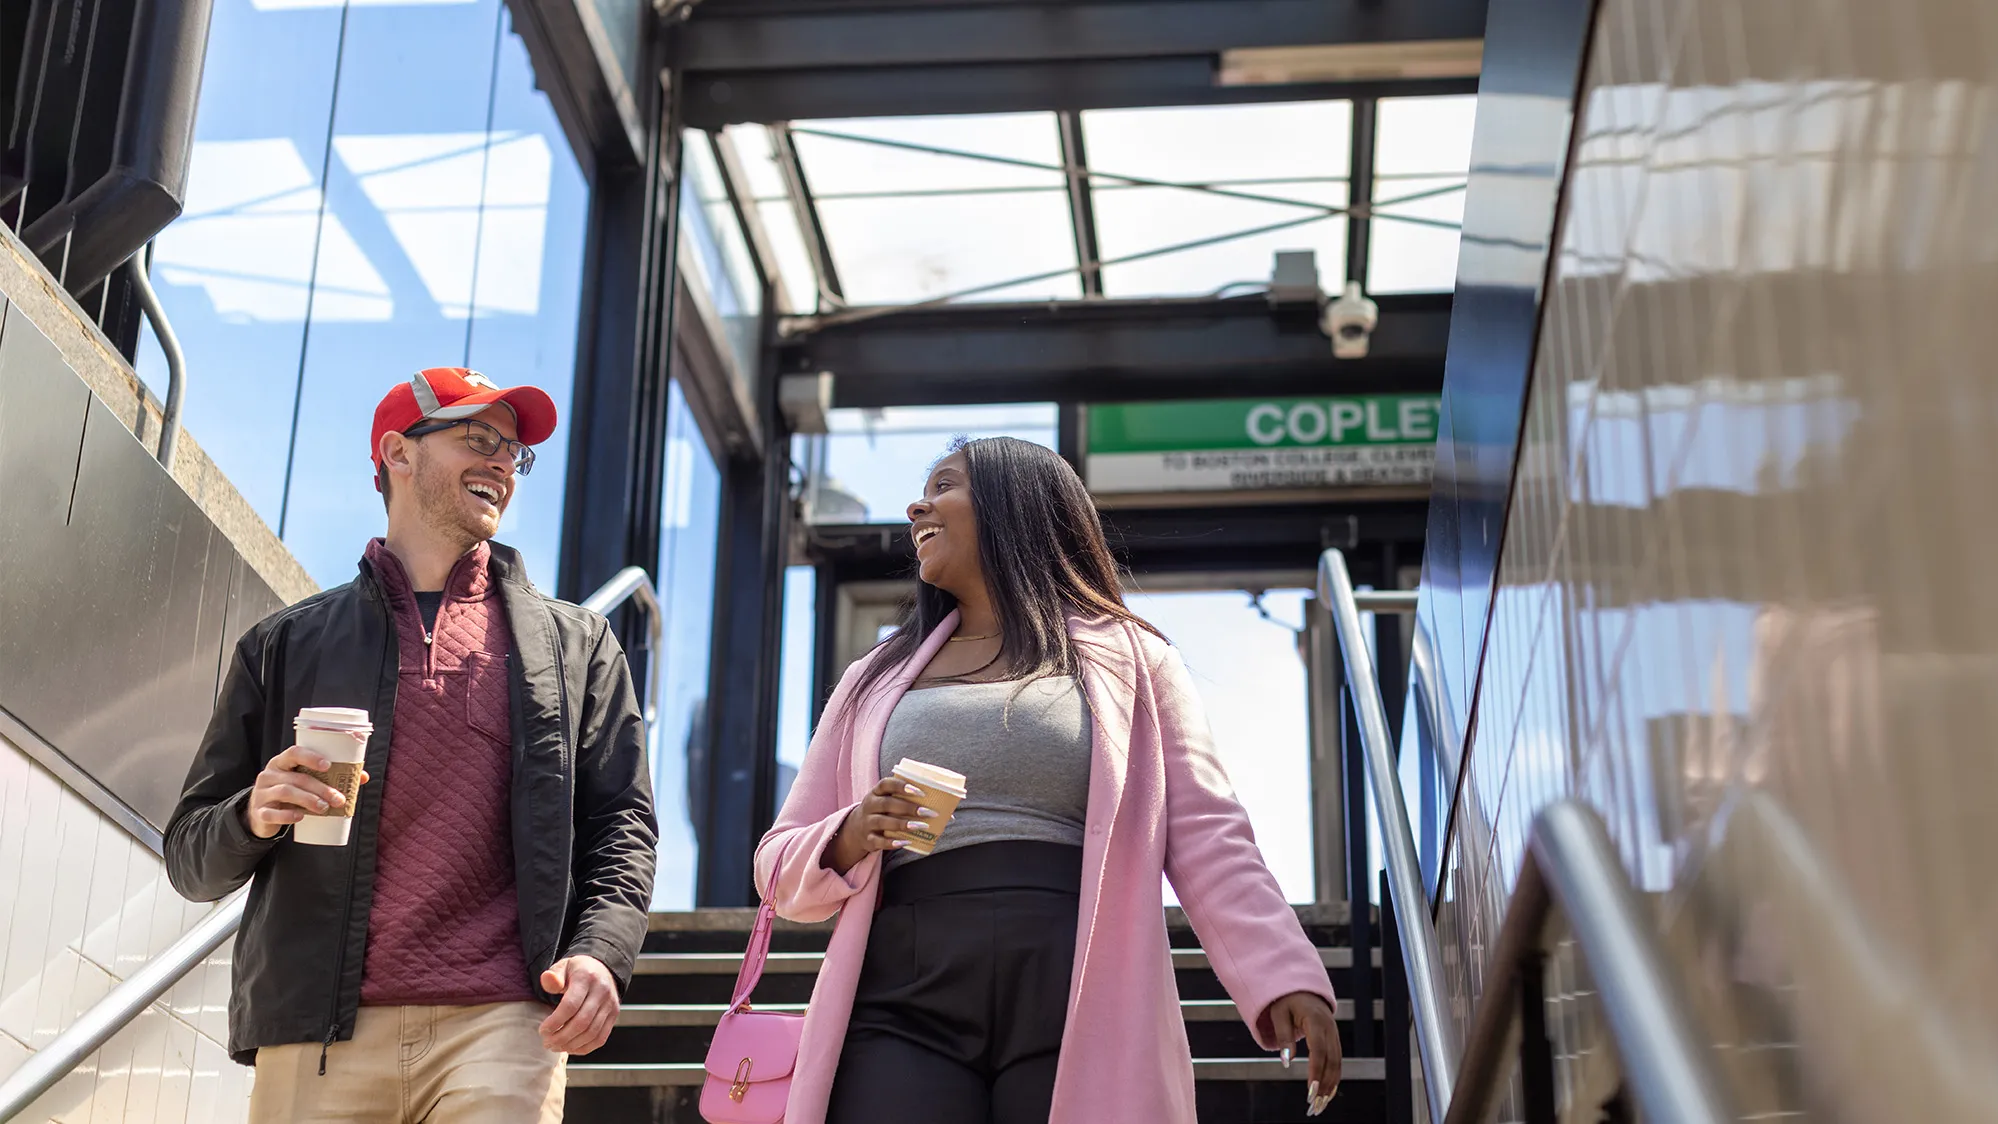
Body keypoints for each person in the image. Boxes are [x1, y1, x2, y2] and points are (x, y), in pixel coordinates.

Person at [757, 437, 1343, 1124]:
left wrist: (1283, 975)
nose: (917, 504)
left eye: (945, 485)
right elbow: (777, 863)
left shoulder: (1134, 658)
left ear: (1017, 503)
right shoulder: (874, 678)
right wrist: (849, 834)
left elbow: (1210, 832)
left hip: (1080, 977)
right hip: (901, 984)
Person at [165, 367, 658, 1124]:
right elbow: (190, 858)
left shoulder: (577, 646)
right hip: (317, 1032)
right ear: (398, 452)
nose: (503, 462)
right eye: (478, 438)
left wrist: (601, 950)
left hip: (503, 1022)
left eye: (514, 452)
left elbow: (621, 823)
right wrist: (251, 813)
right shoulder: (284, 644)